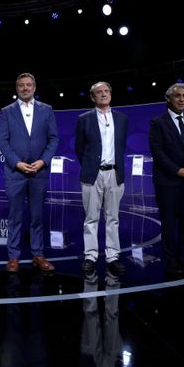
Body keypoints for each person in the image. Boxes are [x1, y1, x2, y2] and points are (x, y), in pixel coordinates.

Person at [0, 72, 59, 273]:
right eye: (21, 85)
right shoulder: (7, 111)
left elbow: (53, 139)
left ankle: (38, 255)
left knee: (36, 217)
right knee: (15, 216)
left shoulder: (47, 110)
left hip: (39, 172)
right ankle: (13, 257)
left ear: (34, 87)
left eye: (29, 85)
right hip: (16, 173)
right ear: (17, 88)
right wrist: (17, 163)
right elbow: (2, 141)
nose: (25, 88)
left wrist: (42, 161)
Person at [148, 82, 184, 276]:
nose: (182, 99)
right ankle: (171, 261)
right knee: (169, 223)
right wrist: (178, 170)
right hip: (168, 182)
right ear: (169, 99)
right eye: (178, 96)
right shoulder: (158, 122)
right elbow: (158, 152)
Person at [75, 81, 129, 276]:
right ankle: (90, 256)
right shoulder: (84, 119)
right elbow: (79, 148)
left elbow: (121, 145)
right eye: (99, 92)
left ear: (111, 95)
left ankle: (112, 257)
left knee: (112, 218)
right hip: (92, 173)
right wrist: (91, 166)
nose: (104, 94)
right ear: (93, 97)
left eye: (107, 91)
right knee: (91, 218)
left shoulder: (122, 119)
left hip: (114, 173)